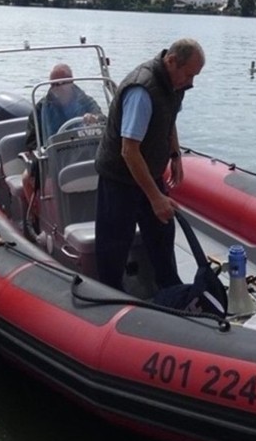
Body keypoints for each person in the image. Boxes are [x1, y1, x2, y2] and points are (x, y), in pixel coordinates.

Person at [93, 39, 206, 291]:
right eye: (189, 74)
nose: (191, 82)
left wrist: (175, 155)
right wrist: (155, 198)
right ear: (172, 61)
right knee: (114, 244)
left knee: (162, 232)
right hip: (119, 178)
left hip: (149, 171)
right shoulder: (142, 91)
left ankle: (169, 288)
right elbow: (129, 151)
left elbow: (168, 119)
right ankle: (110, 292)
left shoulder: (174, 84)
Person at [20, 63, 102, 233]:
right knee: (26, 179)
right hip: (53, 157)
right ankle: (36, 218)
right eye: (52, 84)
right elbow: (31, 140)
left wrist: (94, 119)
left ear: (71, 82)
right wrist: (42, 149)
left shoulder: (87, 102)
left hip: (83, 153)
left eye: (60, 84)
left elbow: (103, 121)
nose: (55, 88)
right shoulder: (41, 107)